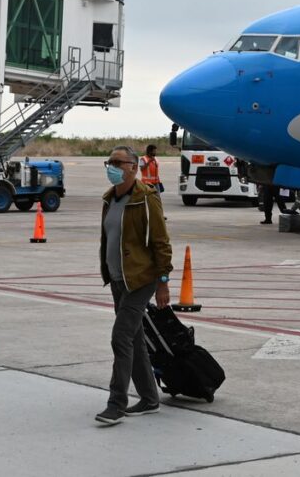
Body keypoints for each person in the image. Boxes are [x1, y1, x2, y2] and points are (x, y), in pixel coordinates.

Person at [96, 146, 173, 426]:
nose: (111, 167)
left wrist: (163, 282)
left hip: (141, 279)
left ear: (133, 167)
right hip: (118, 279)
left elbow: (161, 243)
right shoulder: (110, 199)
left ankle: (116, 403)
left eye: (118, 162)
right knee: (135, 338)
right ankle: (150, 398)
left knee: (121, 337)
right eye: (109, 162)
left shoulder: (146, 199)